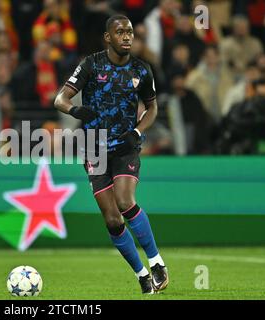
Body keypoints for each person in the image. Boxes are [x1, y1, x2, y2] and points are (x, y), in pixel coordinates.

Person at [54, 14, 168, 294]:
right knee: (112, 219)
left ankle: (155, 262)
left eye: (129, 32)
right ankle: (141, 275)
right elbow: (60, 98)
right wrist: (75, 110)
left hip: (125, 146)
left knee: (125, 200)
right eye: (120, 32)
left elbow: (152, 108)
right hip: (93, 148)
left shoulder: (142, 70)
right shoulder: (91, 65)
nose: (127, 36)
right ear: (108, 37)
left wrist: (138, 132)